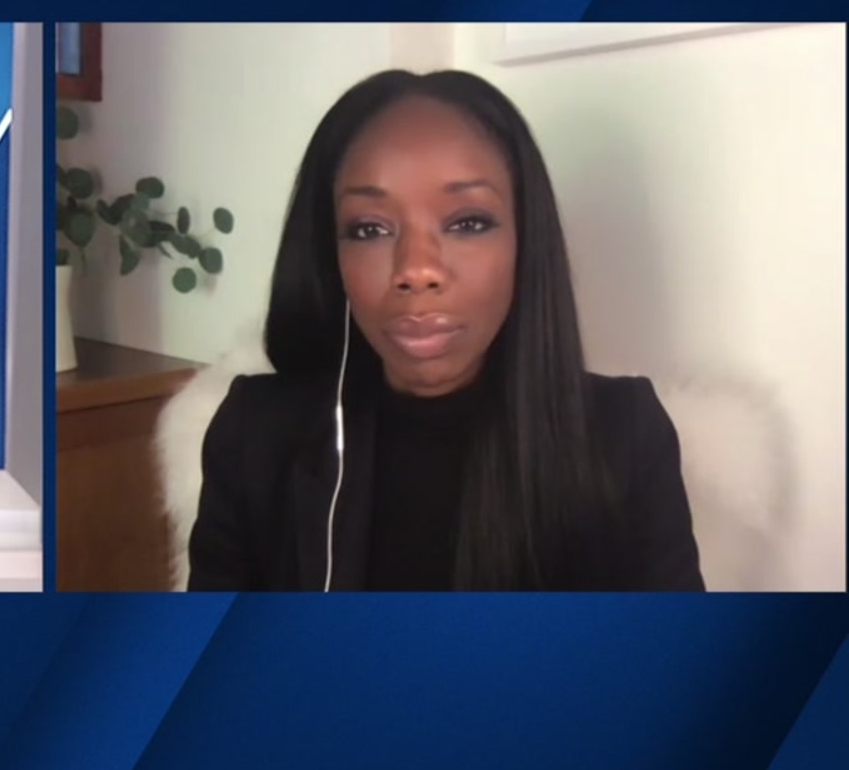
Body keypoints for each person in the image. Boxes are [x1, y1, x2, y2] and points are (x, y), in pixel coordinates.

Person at [188, 70, 704, 592]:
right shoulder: (253, 437)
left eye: (468, 222)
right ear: (330, 255)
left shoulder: (628, 438)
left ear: (525, 241)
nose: (416, 270)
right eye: (369, 228)